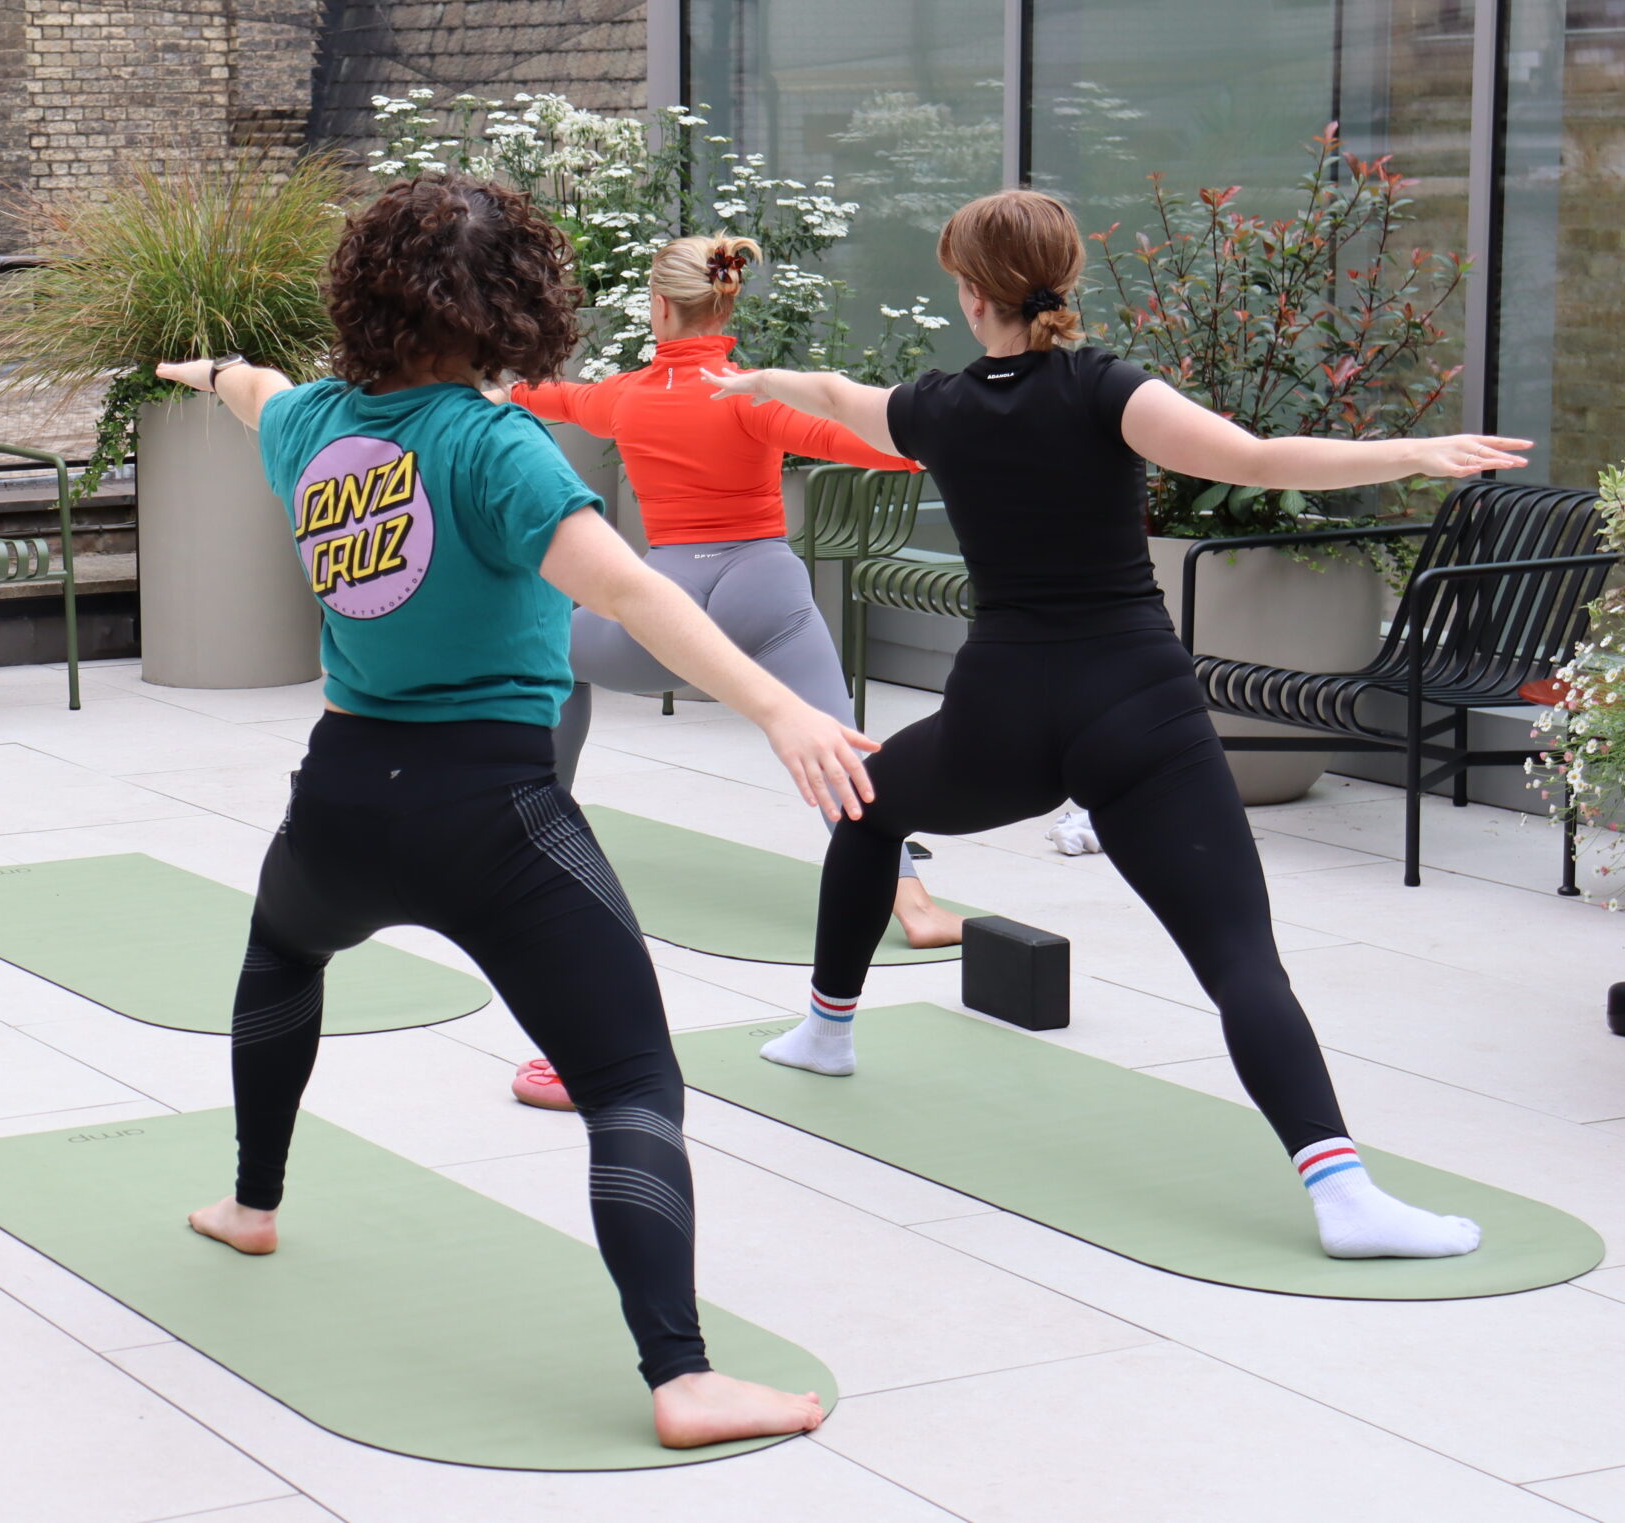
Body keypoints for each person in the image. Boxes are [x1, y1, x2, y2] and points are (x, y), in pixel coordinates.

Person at [155, 174, 882, 1449]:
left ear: (364, 292)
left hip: (339, 797)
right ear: (516, 308)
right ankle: (681, 1376)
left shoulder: (310, 425)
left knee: (281, 956)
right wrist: (781, 708)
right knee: (630, 1080)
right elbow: (636, 593)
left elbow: (253, 389)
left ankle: (251, 1203)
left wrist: (201, 366)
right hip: (492, 812)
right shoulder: (497, 446)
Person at [706, 188, 1521, 1261]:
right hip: (1137, 710)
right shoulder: (1106, 391)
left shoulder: (935, 407)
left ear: (967, 292)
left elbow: (826, 392)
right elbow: (1260, 459)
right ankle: (1341, 1193)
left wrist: (747, 378)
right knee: (1240, 961)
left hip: (997, 717)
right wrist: (1412, 455)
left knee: (866, 807)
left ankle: (824, 1030)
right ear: (1064, 276)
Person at [508, 234, 961, 949]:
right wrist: (946, 442)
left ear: (660, 308)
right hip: (766, 590)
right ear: (726, 304)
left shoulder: (625, 399)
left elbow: (551, 399)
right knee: (838, 748)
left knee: (549, 654)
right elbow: (864, 443)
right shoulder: (752, 395)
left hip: (667, 608)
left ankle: (541, 831)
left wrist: (489, 392)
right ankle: (916, 908)